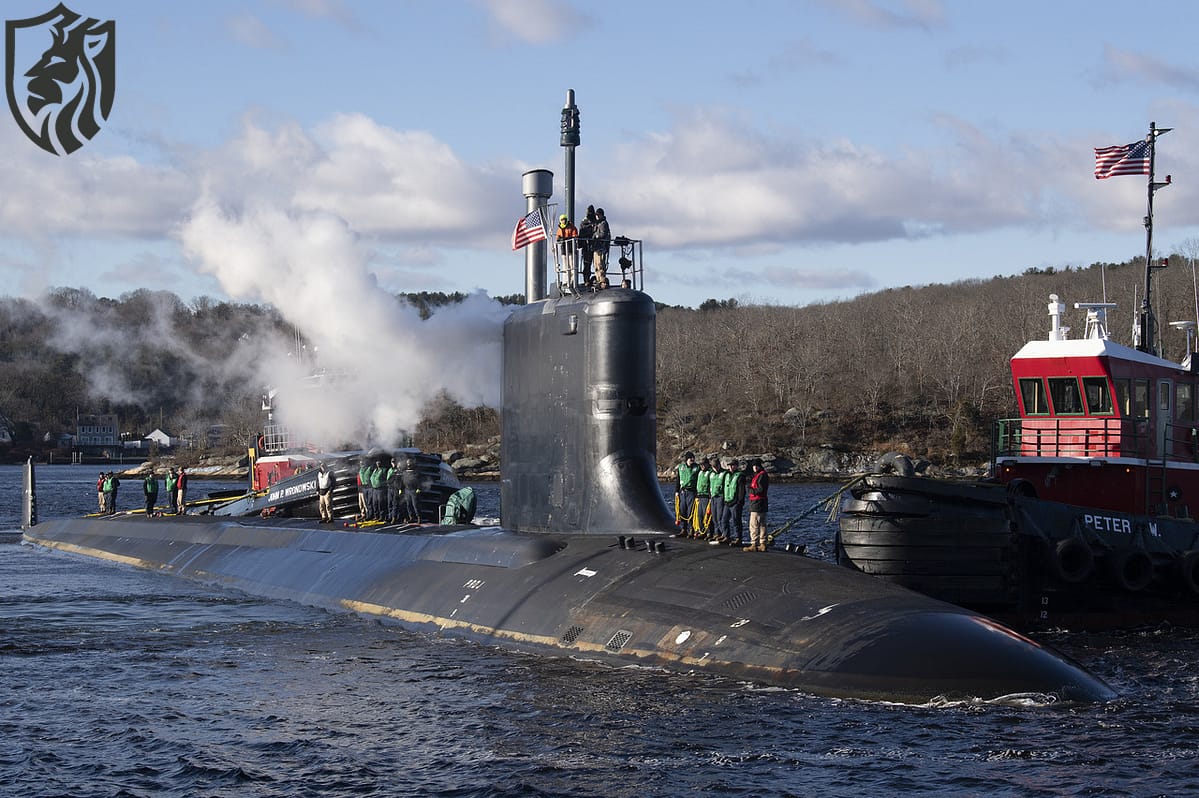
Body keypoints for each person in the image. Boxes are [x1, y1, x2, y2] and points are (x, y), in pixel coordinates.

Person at [745, 459, 770, 552]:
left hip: (758, 502)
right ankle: (763, 543)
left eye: (756, 466)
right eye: (754, 466)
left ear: (759, 466)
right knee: (762, 524)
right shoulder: (760, 475)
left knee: (754, 524)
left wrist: (750, 490)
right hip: (760, 502)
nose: (755, 467)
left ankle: (754, 543)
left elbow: (760, 490)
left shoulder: (761, 475)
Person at [720, 458, 745, 546]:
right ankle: (727, 536)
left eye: (732, 465)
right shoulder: (726, 475)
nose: (730, 467)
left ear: (736, 466)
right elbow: (723, 487)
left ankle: (738, 538)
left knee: (736, 521)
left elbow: (742, 491)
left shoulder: (740, 476)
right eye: (730, 465)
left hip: (735, 502)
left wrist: (739, 502)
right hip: (727, 501)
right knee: (724, 520)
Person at [673, 452, 698, 536]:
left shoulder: (696, 467)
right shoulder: (681, 467)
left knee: (691, 511)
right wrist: (676, 491)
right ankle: (684, 529)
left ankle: (692, 529)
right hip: (683, 492)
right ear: (687, 459)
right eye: (691, 458)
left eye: (693, 458)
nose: (692, 460)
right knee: (682, 510)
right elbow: (678, 480)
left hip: (692, 491)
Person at [556, 214, 578, 288]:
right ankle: (566, 281)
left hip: (570, 248)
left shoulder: (571, 227)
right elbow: (557, 238)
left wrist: (568, 239)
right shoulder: (559, 228)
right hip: (564, 249)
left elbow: (575, 235)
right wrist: (560, 239)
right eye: (562, 220)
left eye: (564, 219)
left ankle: (572, 280)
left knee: (571, 265)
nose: (563, 221)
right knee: (565, 266)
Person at [707, 459, 726, 542]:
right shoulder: (711, 474)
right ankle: (716, 533)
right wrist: (710, 496)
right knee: (714, 517)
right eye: (713, 467)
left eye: (716, 466)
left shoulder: (724, 473)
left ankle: (724, 534)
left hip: (720, 497)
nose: (715, 468)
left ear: (719, 465)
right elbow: (709, 485)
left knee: (719, 517)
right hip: (713, 497)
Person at [578, 205, 597, 285]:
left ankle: (597, 279)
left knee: (597, 264)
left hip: (595, 245)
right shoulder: (584, 222)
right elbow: (582, 233)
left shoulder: (595, 222)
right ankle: (586, 280)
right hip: (587, 246)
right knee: (587, 264)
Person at [592, 208, 611, 288]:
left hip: (601, 247)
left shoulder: (603, 223)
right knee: (596, 266)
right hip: (596, 247)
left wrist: (596, 236)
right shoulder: (598, 224)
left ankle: (602, 281)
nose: (596, 216)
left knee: (600, 266)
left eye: (597, 215)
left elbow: (603, 235)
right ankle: (598, 279)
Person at [400, 458, 422, 523]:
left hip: (414, 490)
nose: (408, 465)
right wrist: (401, 489)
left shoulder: (416, 472)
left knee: (415, 505)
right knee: (408, 505)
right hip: (406, 490)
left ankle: (419, 517)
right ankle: (411, 517)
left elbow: (419, 481)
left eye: (410, 463)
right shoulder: (404, 472)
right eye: (408, 463)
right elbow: (402, 481)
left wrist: (419, 488)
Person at [695, 457, 712, 536]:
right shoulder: (700, 473)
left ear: (707, 464)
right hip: (700, 496)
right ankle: (702, 531)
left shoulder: (710, 473)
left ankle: (709, 532)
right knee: (700, 515)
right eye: (701, 465)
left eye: (703, 464)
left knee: (707, 515)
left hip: (706, 496)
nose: (702, 466)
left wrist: (710, 497)